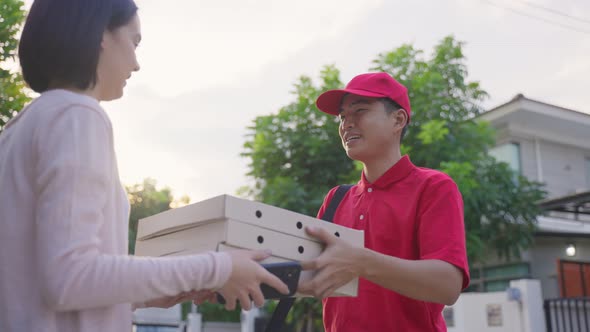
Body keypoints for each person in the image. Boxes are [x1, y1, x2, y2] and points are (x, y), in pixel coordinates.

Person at [0, 1, 288, 331]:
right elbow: (70, 278)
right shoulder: (77, 115)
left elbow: (41, 286)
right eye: (134, 42)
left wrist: (151, 291)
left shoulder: (17, 129)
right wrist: (219, 268)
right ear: (100, 35)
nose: (136, 64)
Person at [298, 72, 470, 331]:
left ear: (398, 120)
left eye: (359, 111)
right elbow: (313, 276)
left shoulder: (433, 187)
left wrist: (360, 261)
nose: (346, 124)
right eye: (343, 117)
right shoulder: (336, 199)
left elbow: (447, 286)